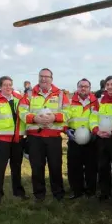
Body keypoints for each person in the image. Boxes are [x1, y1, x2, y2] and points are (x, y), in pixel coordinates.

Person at [18, 68, 69, 202]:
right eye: (41, 76)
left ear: (52, 79)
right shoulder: (29, 94)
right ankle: (39, 195)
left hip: (53, 137)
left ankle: (58, 194)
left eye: (46, 77)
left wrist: (55, 117)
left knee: (55, 166)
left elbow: (68, 112)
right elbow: (22, 111)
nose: (43, 79)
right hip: (35, 137)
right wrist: (34, 118)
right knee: (37, 167)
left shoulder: (60, 95)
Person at [0, 76, 28, 205]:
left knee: (17, 167)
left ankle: (18, 192)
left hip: (17, 140)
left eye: (10, 84)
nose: (8, 87)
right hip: (1, 141)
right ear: (0, 87)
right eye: (5, 85)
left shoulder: (20, 99)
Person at [89, 75, 112, 201]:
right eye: (108, 84)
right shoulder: (99, 101)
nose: (110, 87)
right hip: (101, 138)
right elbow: (93, 118)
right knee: (102, 166)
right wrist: (97, 131)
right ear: (105, 86)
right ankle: (104, 191)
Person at [65, 78, 99, 199]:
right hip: (74, 138)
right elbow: (65, 118)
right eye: (81, 86)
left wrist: (95, 133)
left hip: (91, 139)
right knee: (74, 166)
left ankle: (91, 191)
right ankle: (76, 190)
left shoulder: (96, 102)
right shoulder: (70, 102)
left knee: (91, 166)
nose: (83, 88)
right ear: (77, 88)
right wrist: (66, 130)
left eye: (86, 86)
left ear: (90, 89)